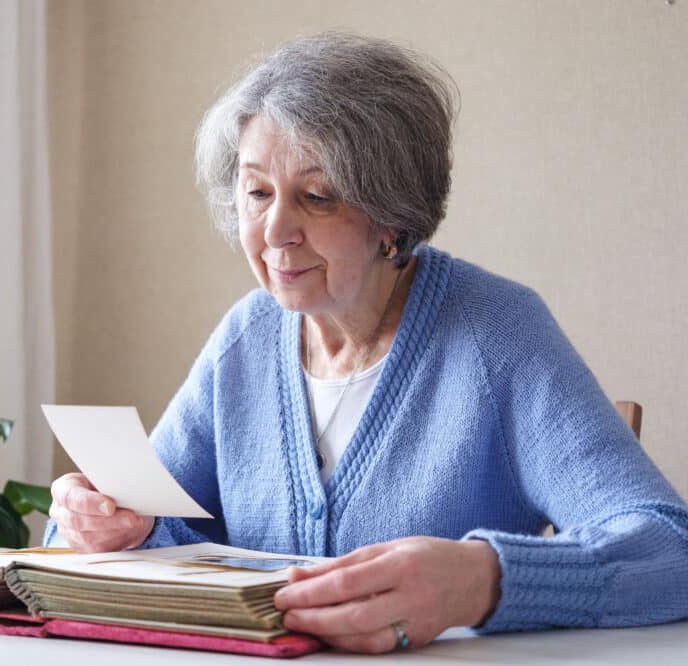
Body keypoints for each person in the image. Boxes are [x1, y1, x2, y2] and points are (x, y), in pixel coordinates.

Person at [44, 33, 688, 653]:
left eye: (317, 196)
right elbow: (174, 535)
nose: (274, 231)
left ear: (394, 215)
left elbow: (669, 549)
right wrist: (107, 523)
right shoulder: (246, 336)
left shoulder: (498, 333)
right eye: (257, 192)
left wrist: (479, 581)